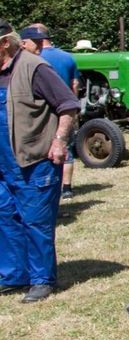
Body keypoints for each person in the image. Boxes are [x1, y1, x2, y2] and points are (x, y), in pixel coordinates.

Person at [0, 20, 79, 302]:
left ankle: (41, 279)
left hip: (35, 160)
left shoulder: (34, 68)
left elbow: (68, 105)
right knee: (6, 218)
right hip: (3, 163)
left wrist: (59, 141)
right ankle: (13, 275)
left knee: (36, 221)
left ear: (5, 43)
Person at [20, 25, 79, 200]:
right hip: (62, 111)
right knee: (64, 149)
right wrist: (73, 112)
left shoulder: (27, 60)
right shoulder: (68, 57)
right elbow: (75, 85)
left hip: (38, 116)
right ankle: (66, 187)